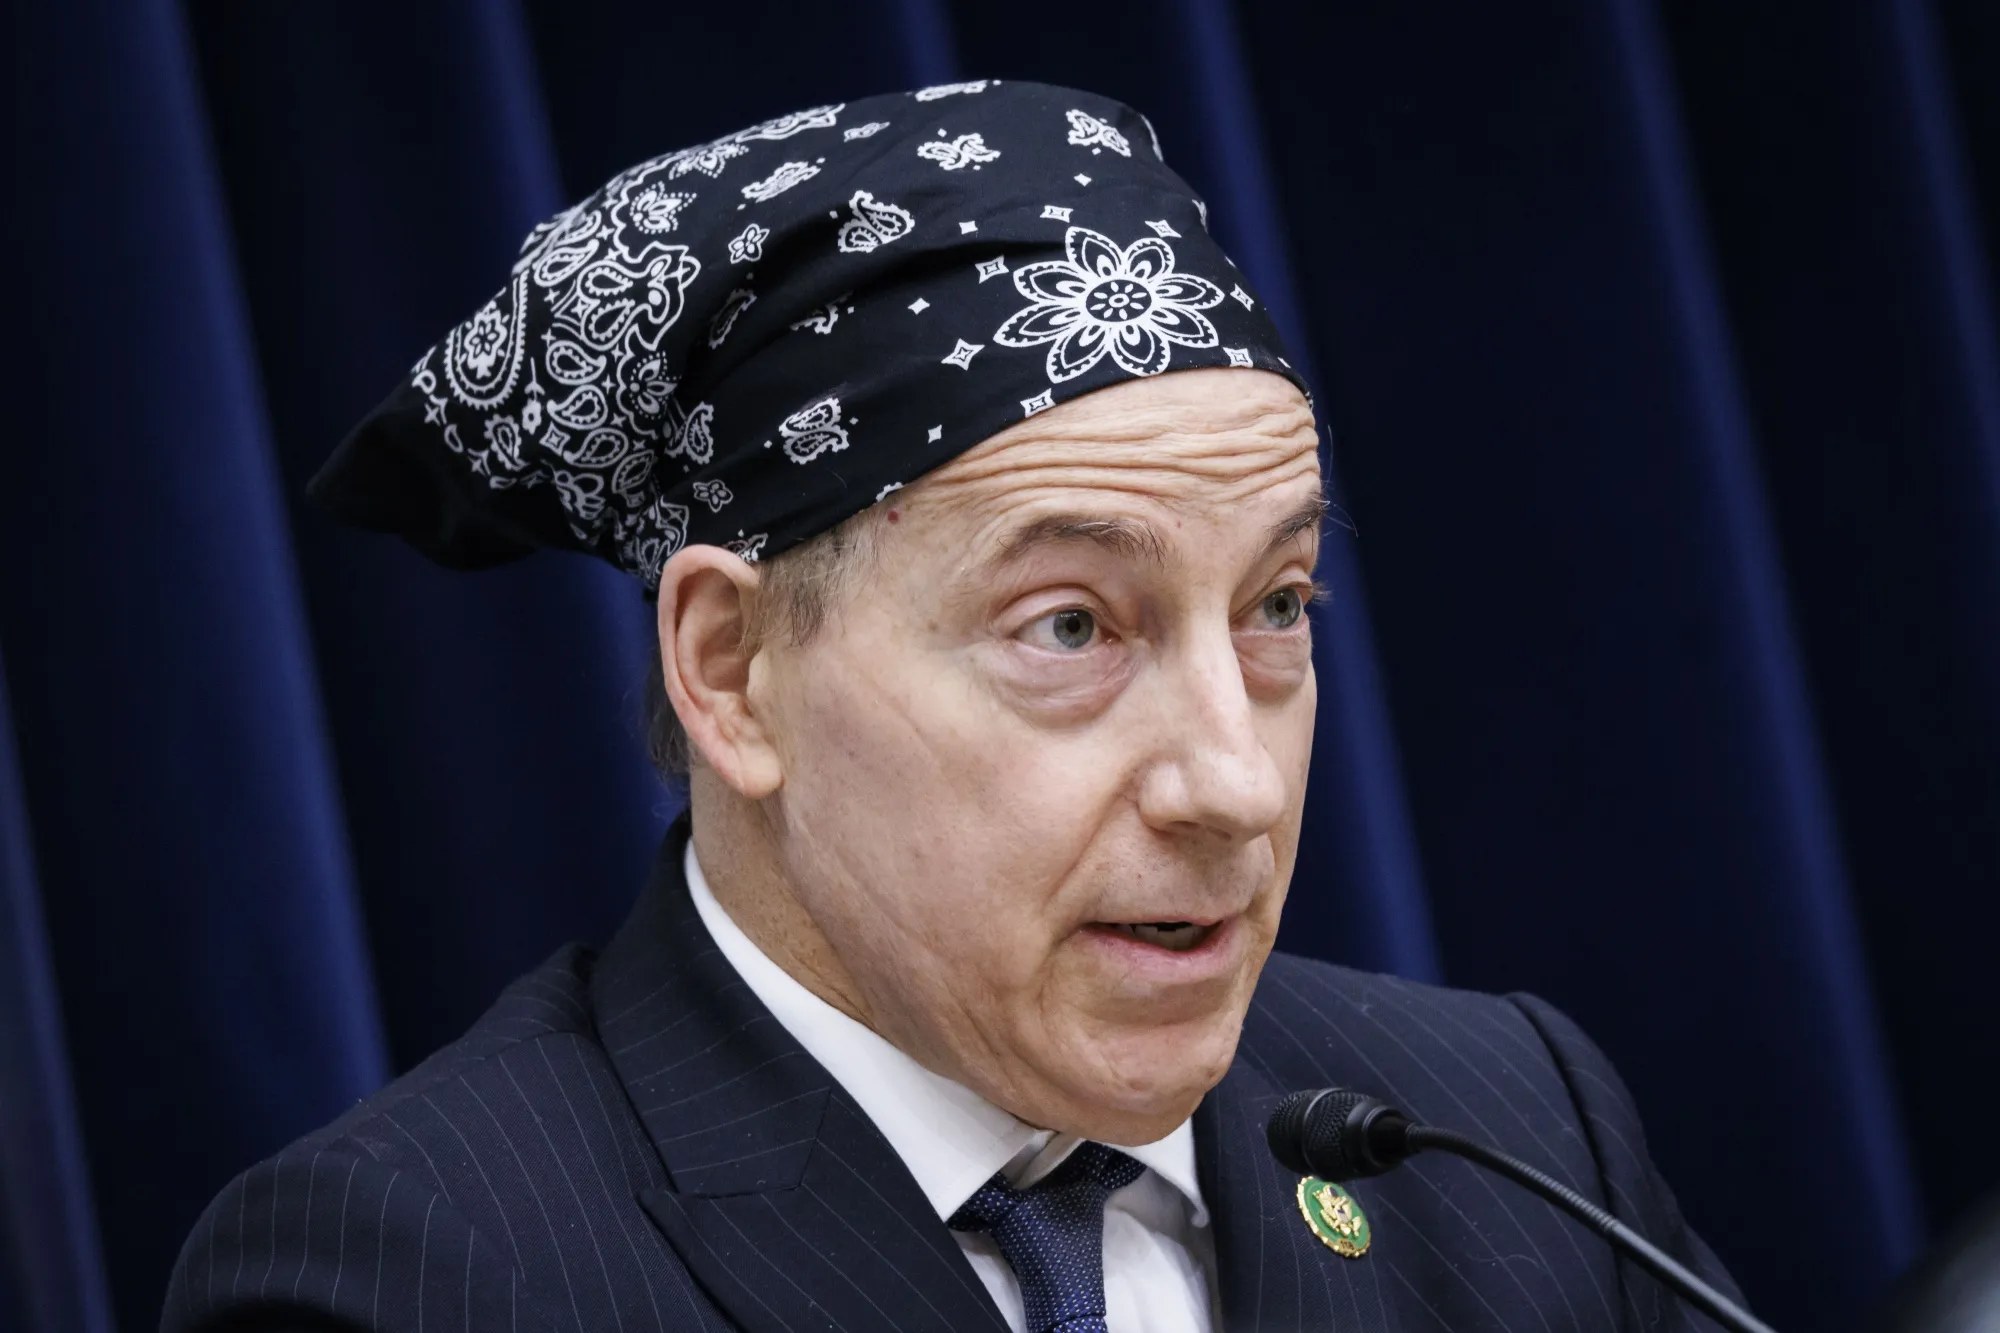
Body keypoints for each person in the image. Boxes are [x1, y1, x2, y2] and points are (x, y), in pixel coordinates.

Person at [163, 81, 1742, 1333]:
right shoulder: (420, 1275)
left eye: (1277, 606)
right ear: (732, 670)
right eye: (1070, 625)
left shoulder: (1511, 1132)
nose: (1237, 785)